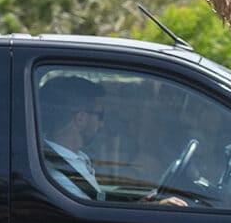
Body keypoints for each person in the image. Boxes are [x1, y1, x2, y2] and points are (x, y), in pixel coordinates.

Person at [38, 74, 187, 206]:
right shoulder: (57, 176)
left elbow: (96, 203)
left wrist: (140, 204)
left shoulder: (70, 159)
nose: (102, 124)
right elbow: (95, 221)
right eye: (100, 115)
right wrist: (155, 209)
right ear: (80, 119)